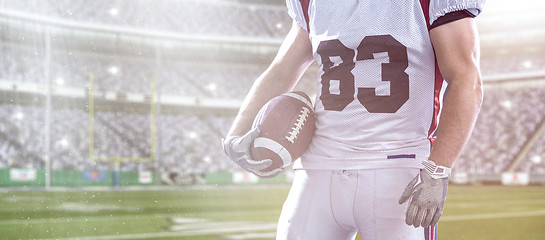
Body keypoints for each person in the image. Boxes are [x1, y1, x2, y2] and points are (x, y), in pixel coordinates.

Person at [222, 0, 485, 239]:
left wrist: (438, 169)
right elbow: (282, 69)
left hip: (397, 171)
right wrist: (237, 134)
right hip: (318, 168)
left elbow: (466, 79)